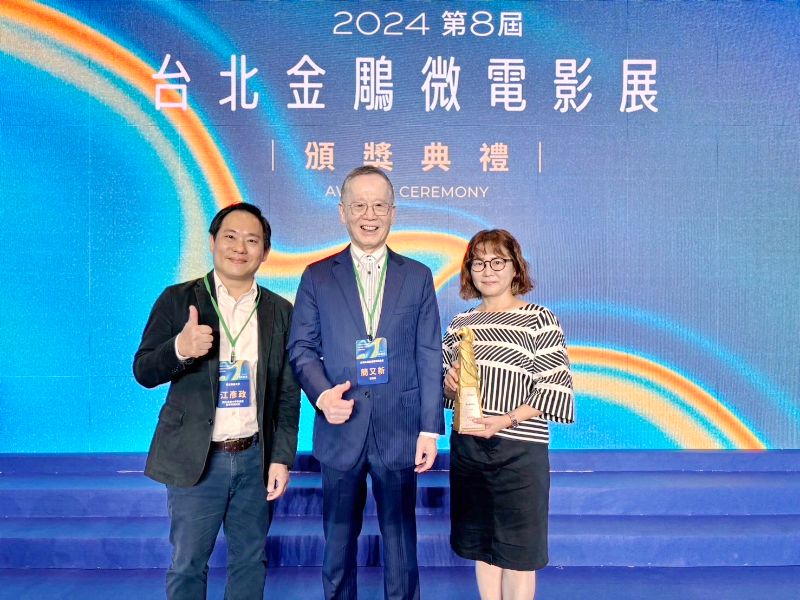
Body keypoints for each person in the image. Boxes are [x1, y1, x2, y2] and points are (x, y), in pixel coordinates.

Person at [288, 165, 444, 600]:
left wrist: (429, 428)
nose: (368, 214)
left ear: (393, 212)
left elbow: (428, 353)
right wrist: (321, 396)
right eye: (358, 205)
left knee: (401, 545)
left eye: (378, 205)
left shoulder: (417, 276)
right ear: (342, 212)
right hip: (341, 427)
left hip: (400, 429)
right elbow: (301, 347)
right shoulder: (317, 276)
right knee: (337, 545)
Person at [133, 203, 300, 600]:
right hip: (197, 458)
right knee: (188, 563)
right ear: (212, 242)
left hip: (254, 458)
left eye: (252, 240)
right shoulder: (178, 300)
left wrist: (281, 458)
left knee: (250, 562)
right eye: (230, 236)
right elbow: (143, 371)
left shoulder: (280, 311)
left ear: (265, 251)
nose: (240, 247)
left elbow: (288, 394)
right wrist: (180, 348)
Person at [442, 229, 575, 600]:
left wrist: (506, 419)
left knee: (519, 553)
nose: (488, 270)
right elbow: (444, 388)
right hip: (469, 449)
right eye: (479, 263)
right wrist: (450, 385)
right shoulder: (459, 324)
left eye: (498, 261)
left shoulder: (539, 319)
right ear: (469, 270)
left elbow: (554, 385)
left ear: (515, 267)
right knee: (481, 548)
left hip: (520, 451)